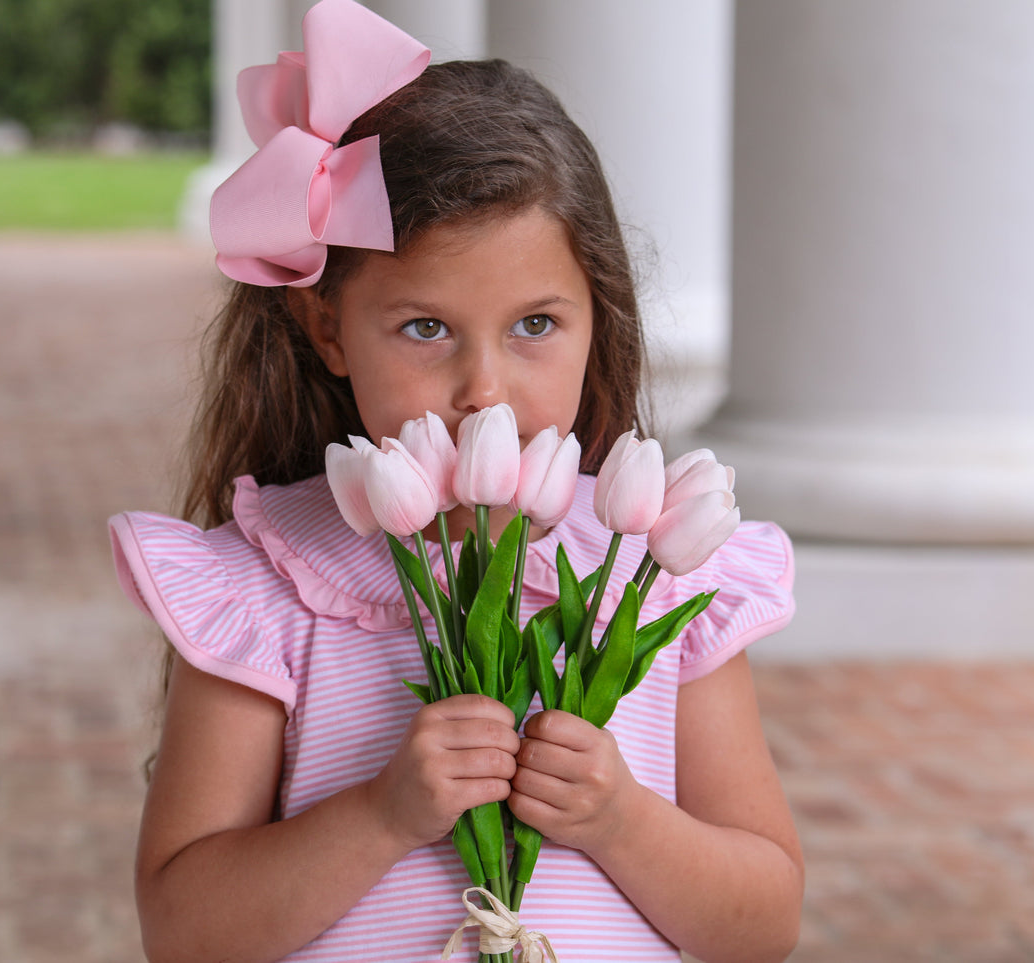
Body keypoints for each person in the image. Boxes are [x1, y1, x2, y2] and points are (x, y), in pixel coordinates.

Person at [108, 1, 802, 960]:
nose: (485, 388)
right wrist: (380, 814)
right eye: (425, 328)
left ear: (597, 318)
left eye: (534, 325)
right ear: (326, 329)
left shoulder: (659, 565)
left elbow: (763, 925)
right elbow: (185, 932)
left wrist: (621, 820)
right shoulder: (267, 586)